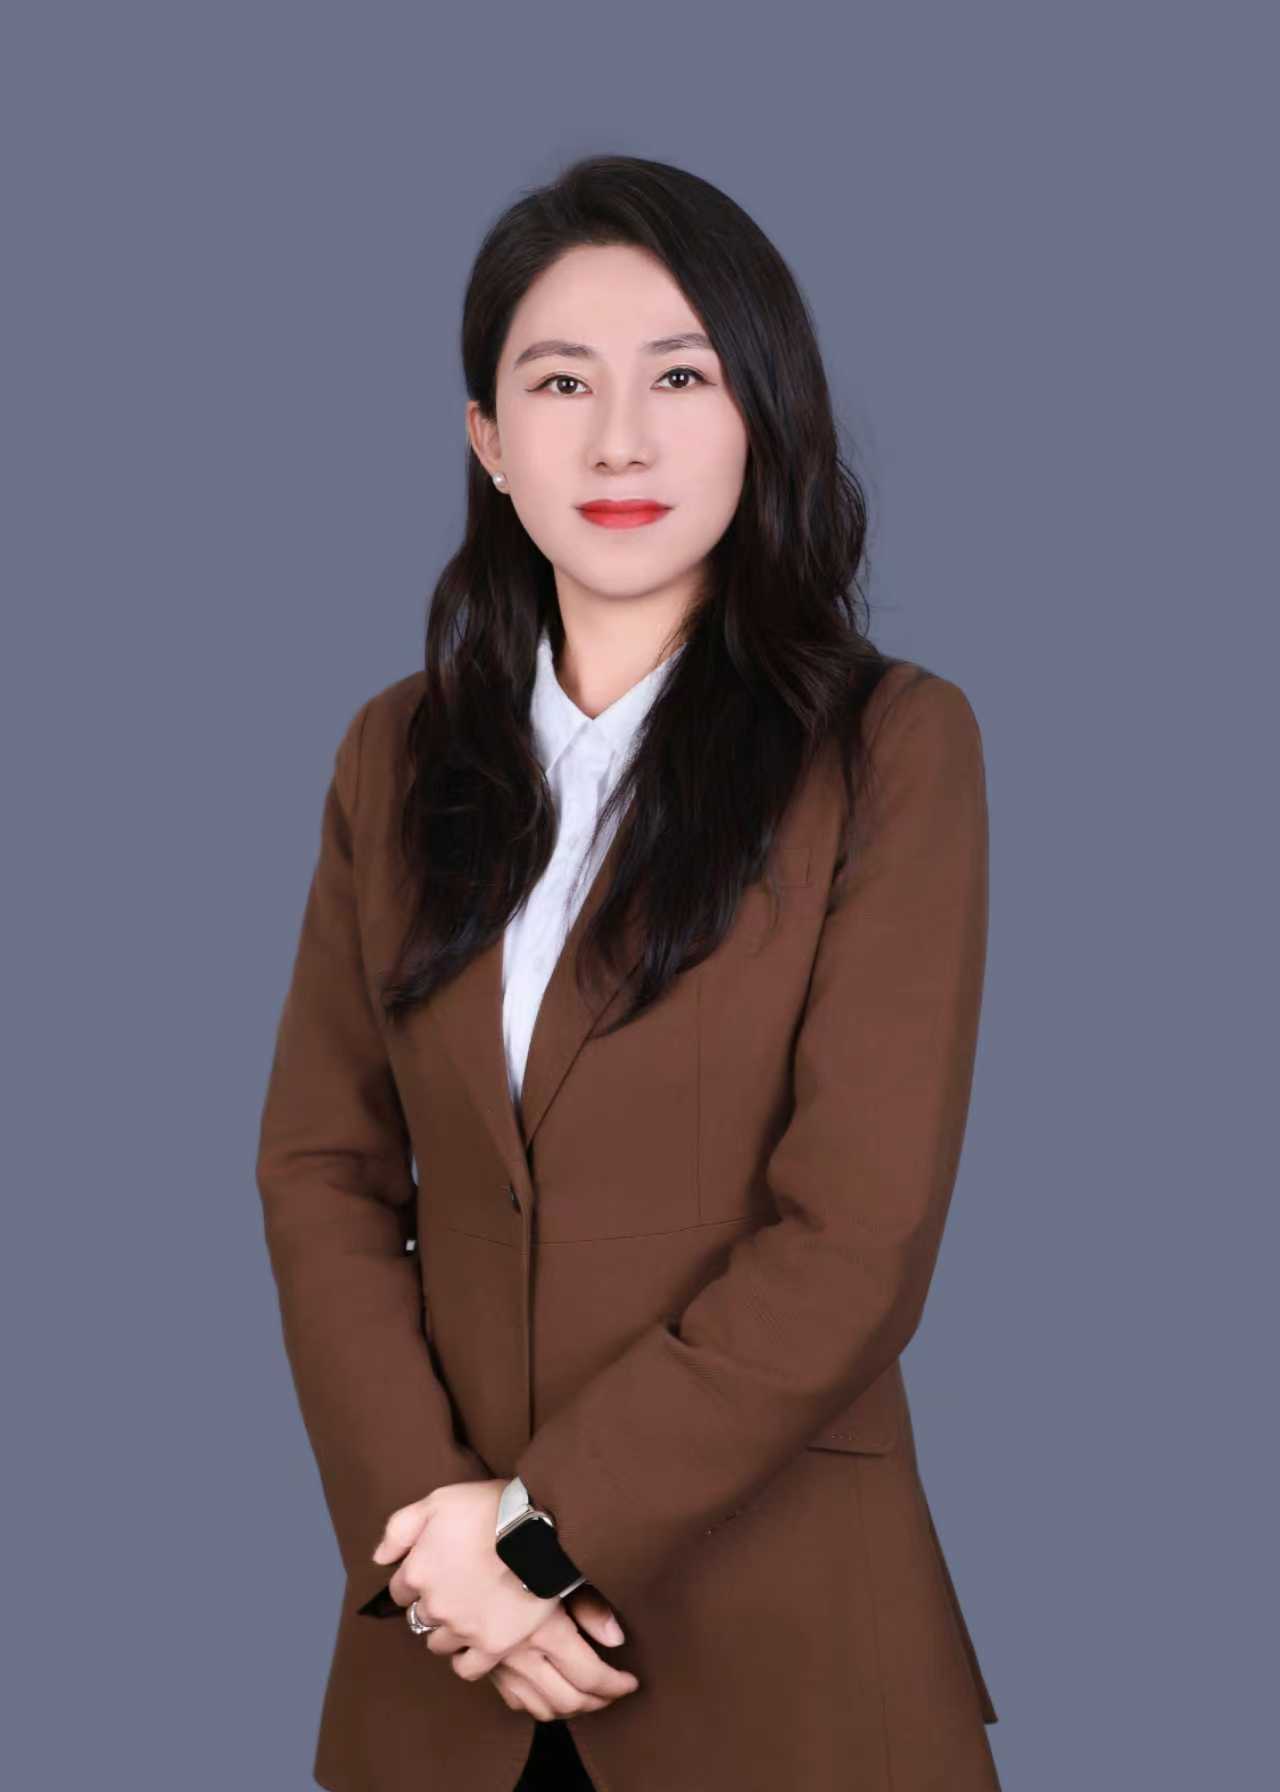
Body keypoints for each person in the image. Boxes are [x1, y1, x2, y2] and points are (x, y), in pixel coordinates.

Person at [256, 151, 1001, 1792]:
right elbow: (320, 1170)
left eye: (680, 376)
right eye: (558, 383)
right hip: (446, 1680)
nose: (618, 441)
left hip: (784, 1660)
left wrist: (538, 1540)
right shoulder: (394, 755)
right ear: (487, 439)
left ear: (763, 418)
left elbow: (857, 1233)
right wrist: (436, 1546)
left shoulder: (890, 748)